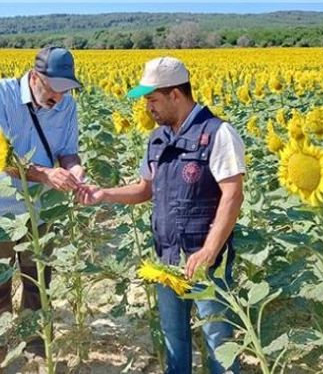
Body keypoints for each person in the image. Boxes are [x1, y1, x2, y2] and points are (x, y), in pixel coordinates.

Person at [77, 57, 245, 374]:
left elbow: (233, 194)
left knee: (217, 340)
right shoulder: (158, 139)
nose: (148, 109)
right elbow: (145, 189)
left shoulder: (218, 133)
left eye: (153, 100)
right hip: (166, 257)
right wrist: (104, 194)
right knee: (174, 339)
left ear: (176, 95)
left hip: (206, 262)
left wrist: (209, 251)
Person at [0, 46, 85, 371]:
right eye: (54, 90)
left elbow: (68, 151)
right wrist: (46, 174)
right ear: (35, 77)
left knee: (39, 282)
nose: (60, 99)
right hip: (0, 206)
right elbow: (1, 158)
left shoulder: (66, 107)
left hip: (40, 208)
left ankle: (35, 344)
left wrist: (74, 169)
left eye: (66, 91)